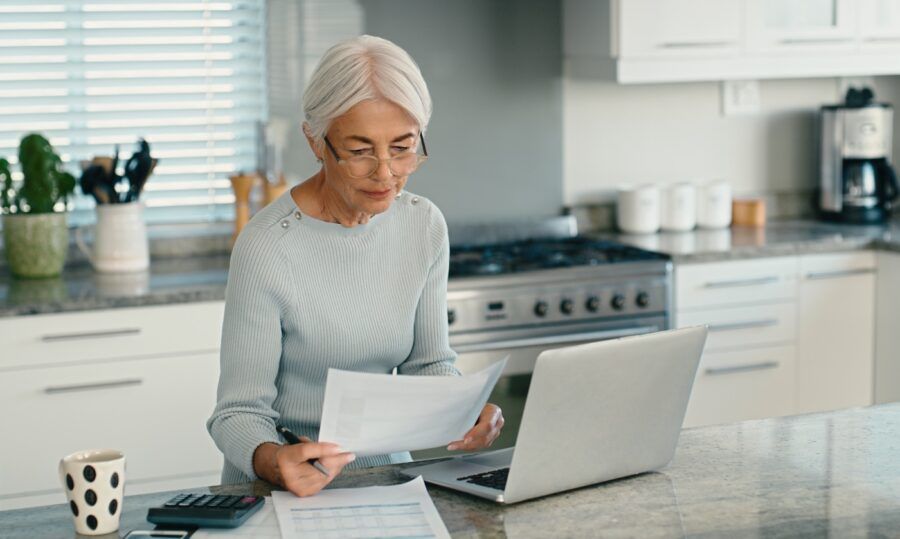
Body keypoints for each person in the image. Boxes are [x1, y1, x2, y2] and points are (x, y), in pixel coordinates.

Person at [207, 35, 504, 497]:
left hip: (389, 482)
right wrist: (273, 460)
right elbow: (236, 414)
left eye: (403, 148)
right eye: (361, 151)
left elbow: (427, 365)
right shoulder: (266, 247)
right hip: (281, 490)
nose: (385, 173)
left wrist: (464, 409)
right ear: (316, 141)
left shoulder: (422, 224)